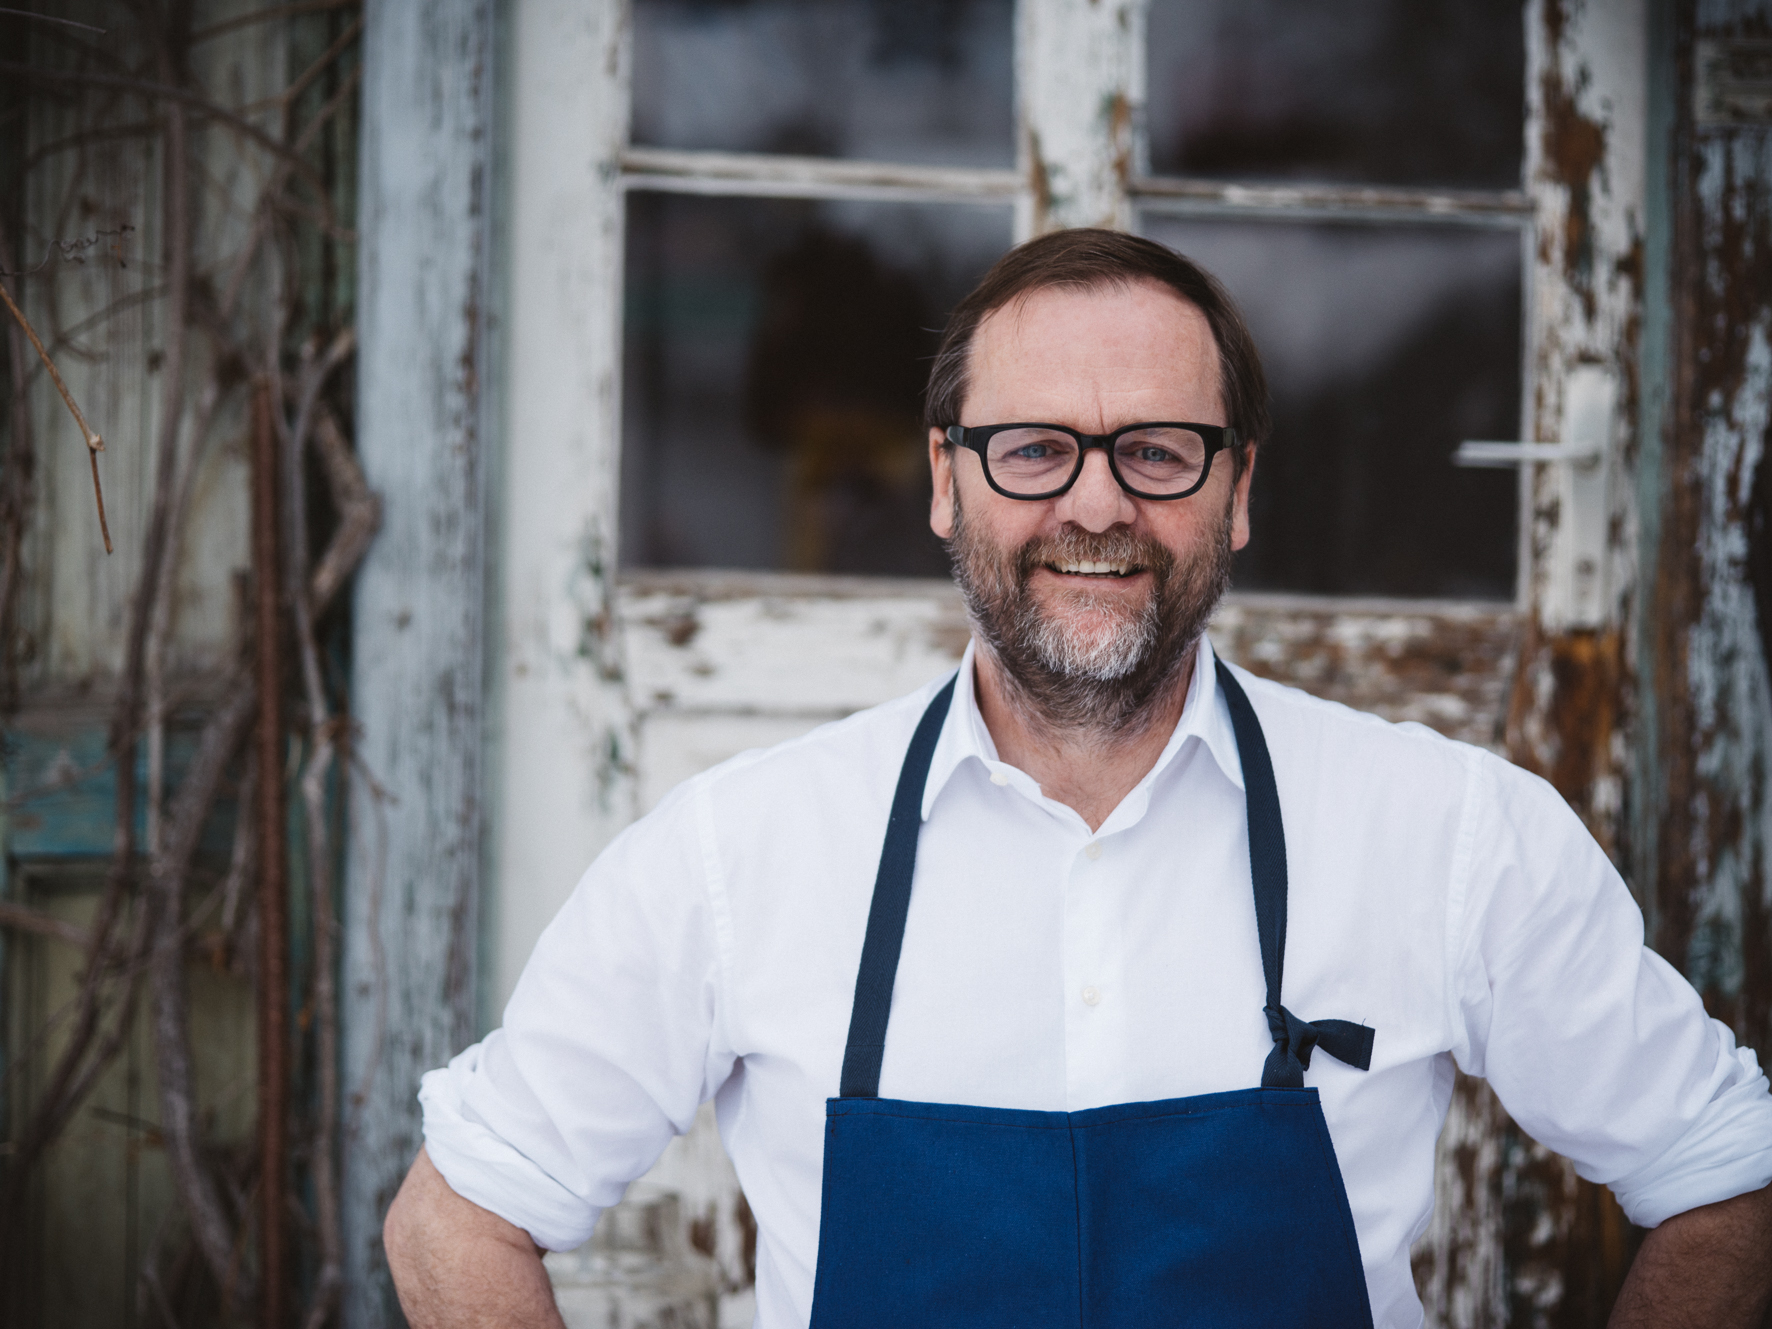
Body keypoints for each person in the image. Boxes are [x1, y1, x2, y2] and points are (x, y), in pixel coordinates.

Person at [383, 229, 1772, 1329]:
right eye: (1035, 448)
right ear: (947, 481)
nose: (1097, 503)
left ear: (1237, 491)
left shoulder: (1448, 831)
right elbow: (459, 1217)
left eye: (1157, 451)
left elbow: (1728, 1180)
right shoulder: (741, 851)